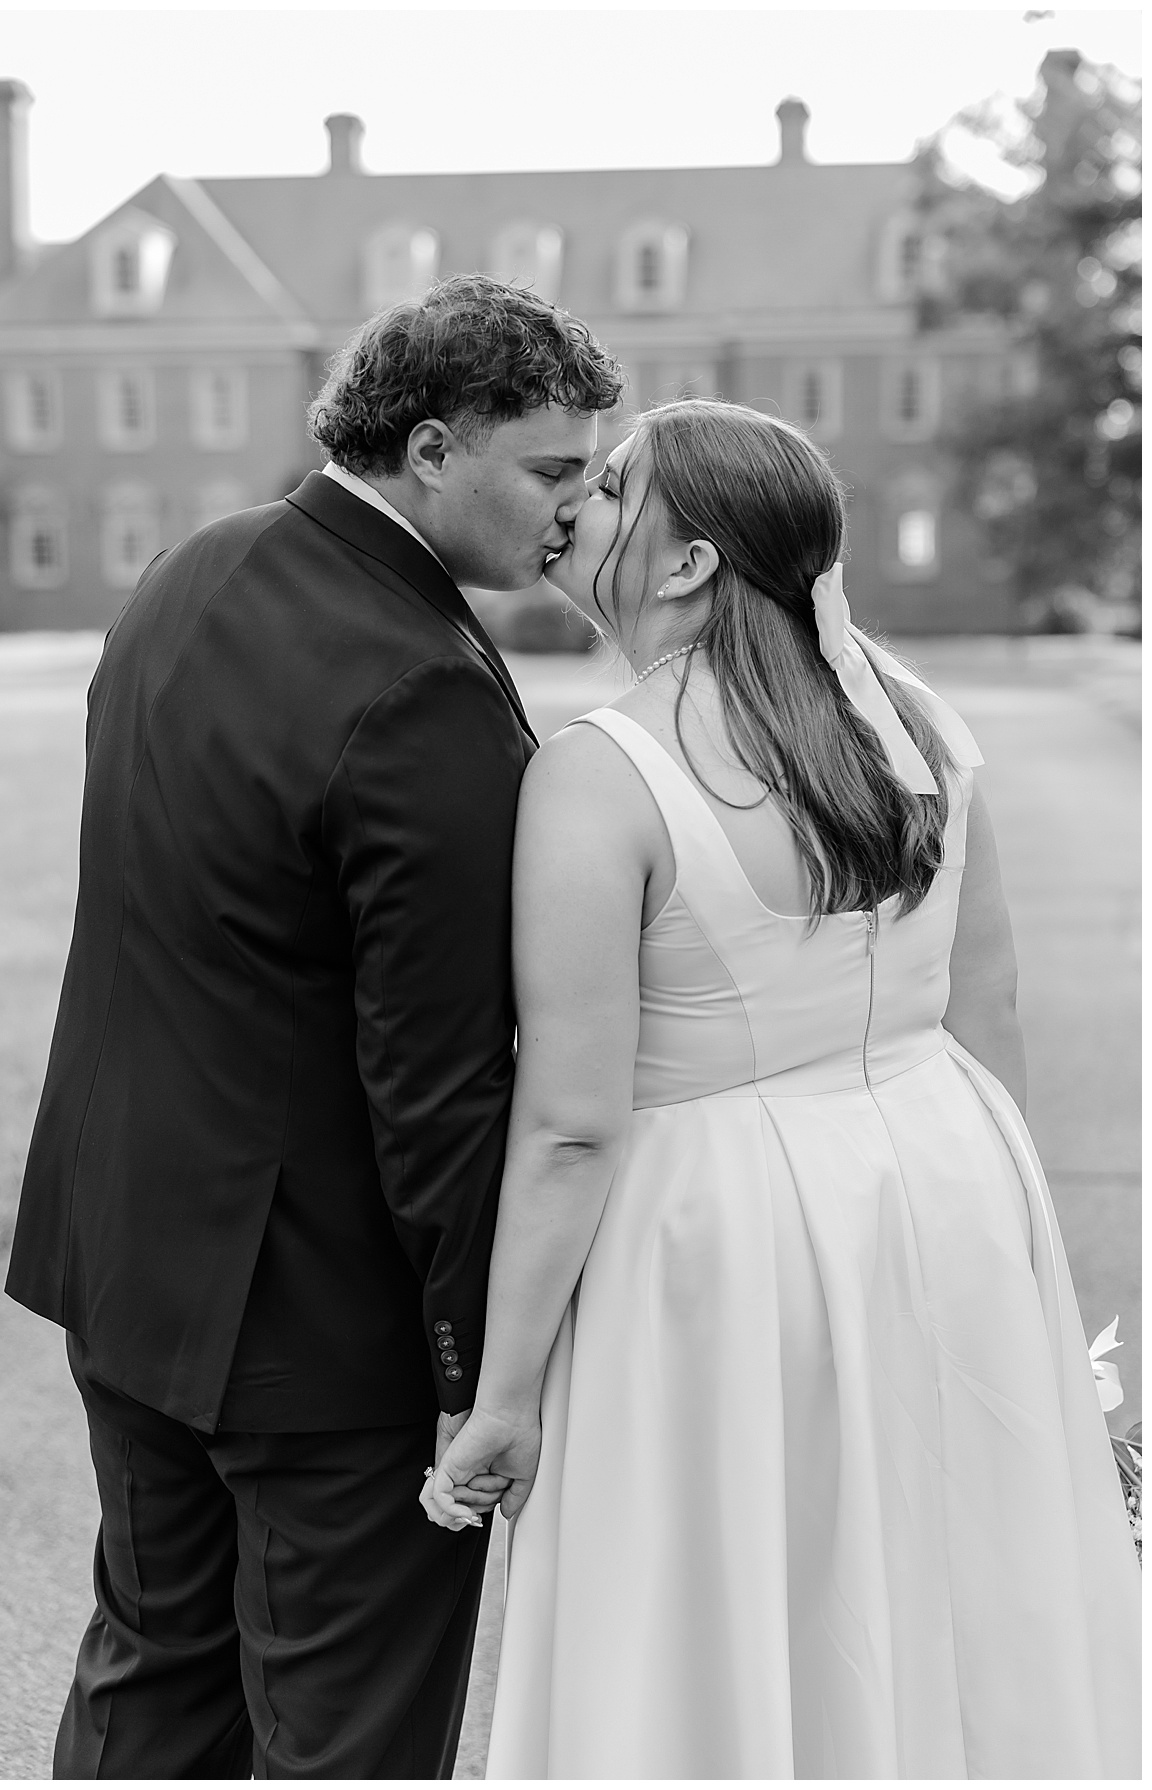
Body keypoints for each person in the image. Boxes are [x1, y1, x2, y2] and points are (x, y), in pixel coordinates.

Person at [423, 398, 1142, 1778]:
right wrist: (1013, 1261)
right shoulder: (915, 724)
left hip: (721, 1238)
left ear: (690, 562)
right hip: (946, 1185)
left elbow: (571, 1126)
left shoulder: (600, 774)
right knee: (933, 1575)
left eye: (612, 487)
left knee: (734, 1597)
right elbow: (986, 1006)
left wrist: (500, 1396)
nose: (575, 504)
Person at [4, 275, 623, 1779]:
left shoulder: (186, 572)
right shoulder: (424, 688)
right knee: (347, 1743)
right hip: (321, 1342)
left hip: (124, 1260)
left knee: (149, 1692)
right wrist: (479, 1369)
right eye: (551, 469)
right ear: (430, 448)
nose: (578, 508)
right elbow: (441, 1083)